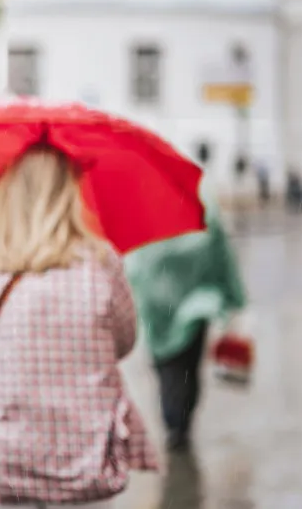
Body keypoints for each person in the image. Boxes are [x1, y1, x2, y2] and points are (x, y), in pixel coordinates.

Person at [0, 147, 158, 509]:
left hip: (1, 460)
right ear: (68, 195)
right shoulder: (102, 263)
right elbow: (125, 341)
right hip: (84, 461)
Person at [124, 179, 247, 451]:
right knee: (189, 370)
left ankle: (174, 426)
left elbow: (134, 265)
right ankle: (182, 424)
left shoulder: (145, 211)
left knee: (166, 370)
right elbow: (221, 255)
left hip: (157, 312)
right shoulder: (204, 207)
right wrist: (234, 297)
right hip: (195, 309)